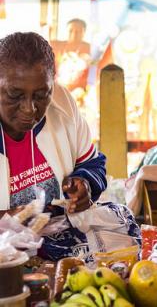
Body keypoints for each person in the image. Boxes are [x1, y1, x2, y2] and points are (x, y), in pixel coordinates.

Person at [0, 32, 107, 260]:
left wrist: (85, 184)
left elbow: (93, 163)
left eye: (41, 95)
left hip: (63, 255)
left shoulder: (63, 104)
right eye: (14, 94)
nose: (29, 109)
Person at [50, 18, 91, 92]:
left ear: (84, 32)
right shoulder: (56, 46)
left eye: (78, 31)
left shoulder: (90, 49)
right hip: (57, 88)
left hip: (80, 90)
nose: (74, 34)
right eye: (70, 31)